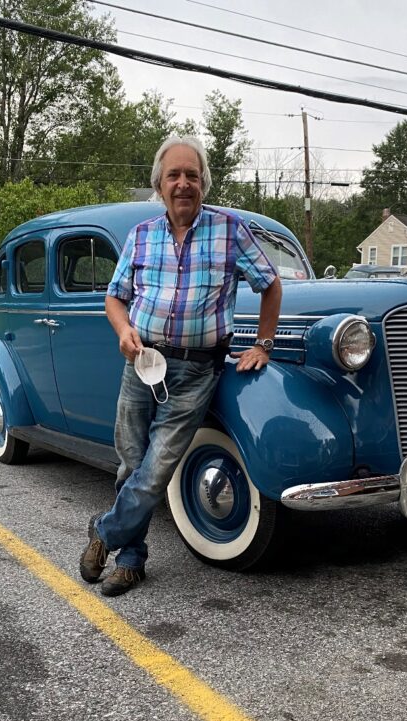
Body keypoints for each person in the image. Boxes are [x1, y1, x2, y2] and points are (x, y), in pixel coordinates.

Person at [79, 135, 282, 596]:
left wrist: (263, 345)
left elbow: (270, 285)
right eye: (174, 175)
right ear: (160, 183)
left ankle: (105, 532)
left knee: (156, 470)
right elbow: (115, 297)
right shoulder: (142, 236)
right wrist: (123, 329)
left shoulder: (230, 230)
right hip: (142, 362)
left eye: (192, 175)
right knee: (131, 465)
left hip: (195, 371)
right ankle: (131, 561)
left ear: (204, 183)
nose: (184, 183)